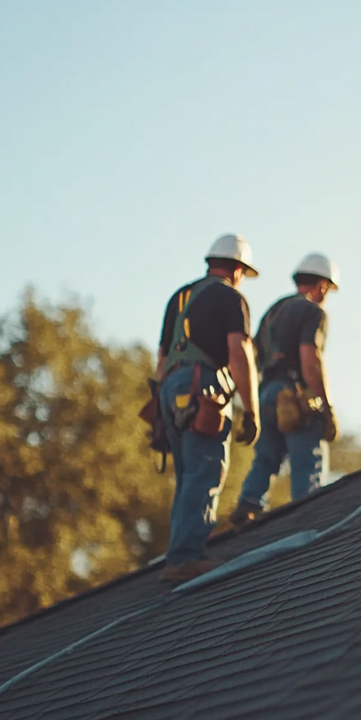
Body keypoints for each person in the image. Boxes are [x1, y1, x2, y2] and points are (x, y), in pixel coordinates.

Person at [155, 234, 261, 584]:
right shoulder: (231, 297)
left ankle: (181, 553)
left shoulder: (179, 297)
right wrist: (252, 410)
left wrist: (160, 412)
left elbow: (161, 358)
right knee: (205, 470)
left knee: (187, 475)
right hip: (203, 387)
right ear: (237, 269)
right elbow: (239, 352)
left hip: (170, 389)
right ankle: (185, 558)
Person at [230, 253, 339, 526]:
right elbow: (310, 357)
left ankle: (249, 505)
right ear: (323, 286)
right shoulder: (314, 312)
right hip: (293, 396)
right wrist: (326, 407)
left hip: (266, 392)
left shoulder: (274, 311)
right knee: (308, 460)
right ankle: (307, 518)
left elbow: (252, 354)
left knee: (267, 457)